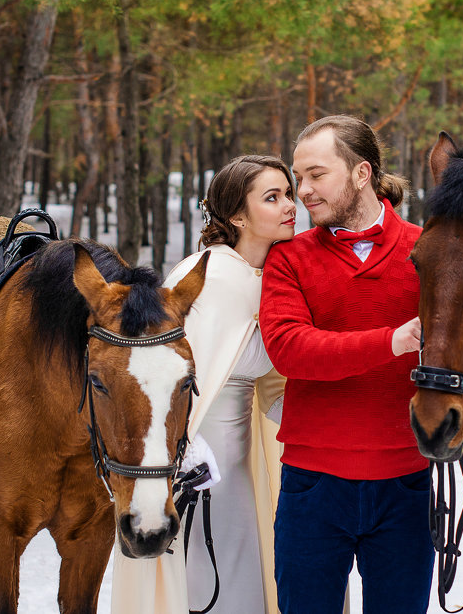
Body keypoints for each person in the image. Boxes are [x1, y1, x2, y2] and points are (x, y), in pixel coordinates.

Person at [259, 115, 431, 614]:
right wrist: (392, 341)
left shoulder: (428, 251)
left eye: (317, 175)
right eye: (299, 177)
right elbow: (290, 348)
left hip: (407, 483)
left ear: (361, 173)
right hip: (312, 487)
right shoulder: (288, 258)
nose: (302, 192)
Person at [111, 155, 295, 614]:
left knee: (255, 564)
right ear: (236, 215)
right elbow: (159, 377)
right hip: (200, 457)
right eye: (272, 198)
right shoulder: (205, 277)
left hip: (246, 453)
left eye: (289, 194)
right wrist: (182, 451)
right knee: (212, 574)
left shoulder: (274, 274)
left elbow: (277, 376)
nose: (290, 205)